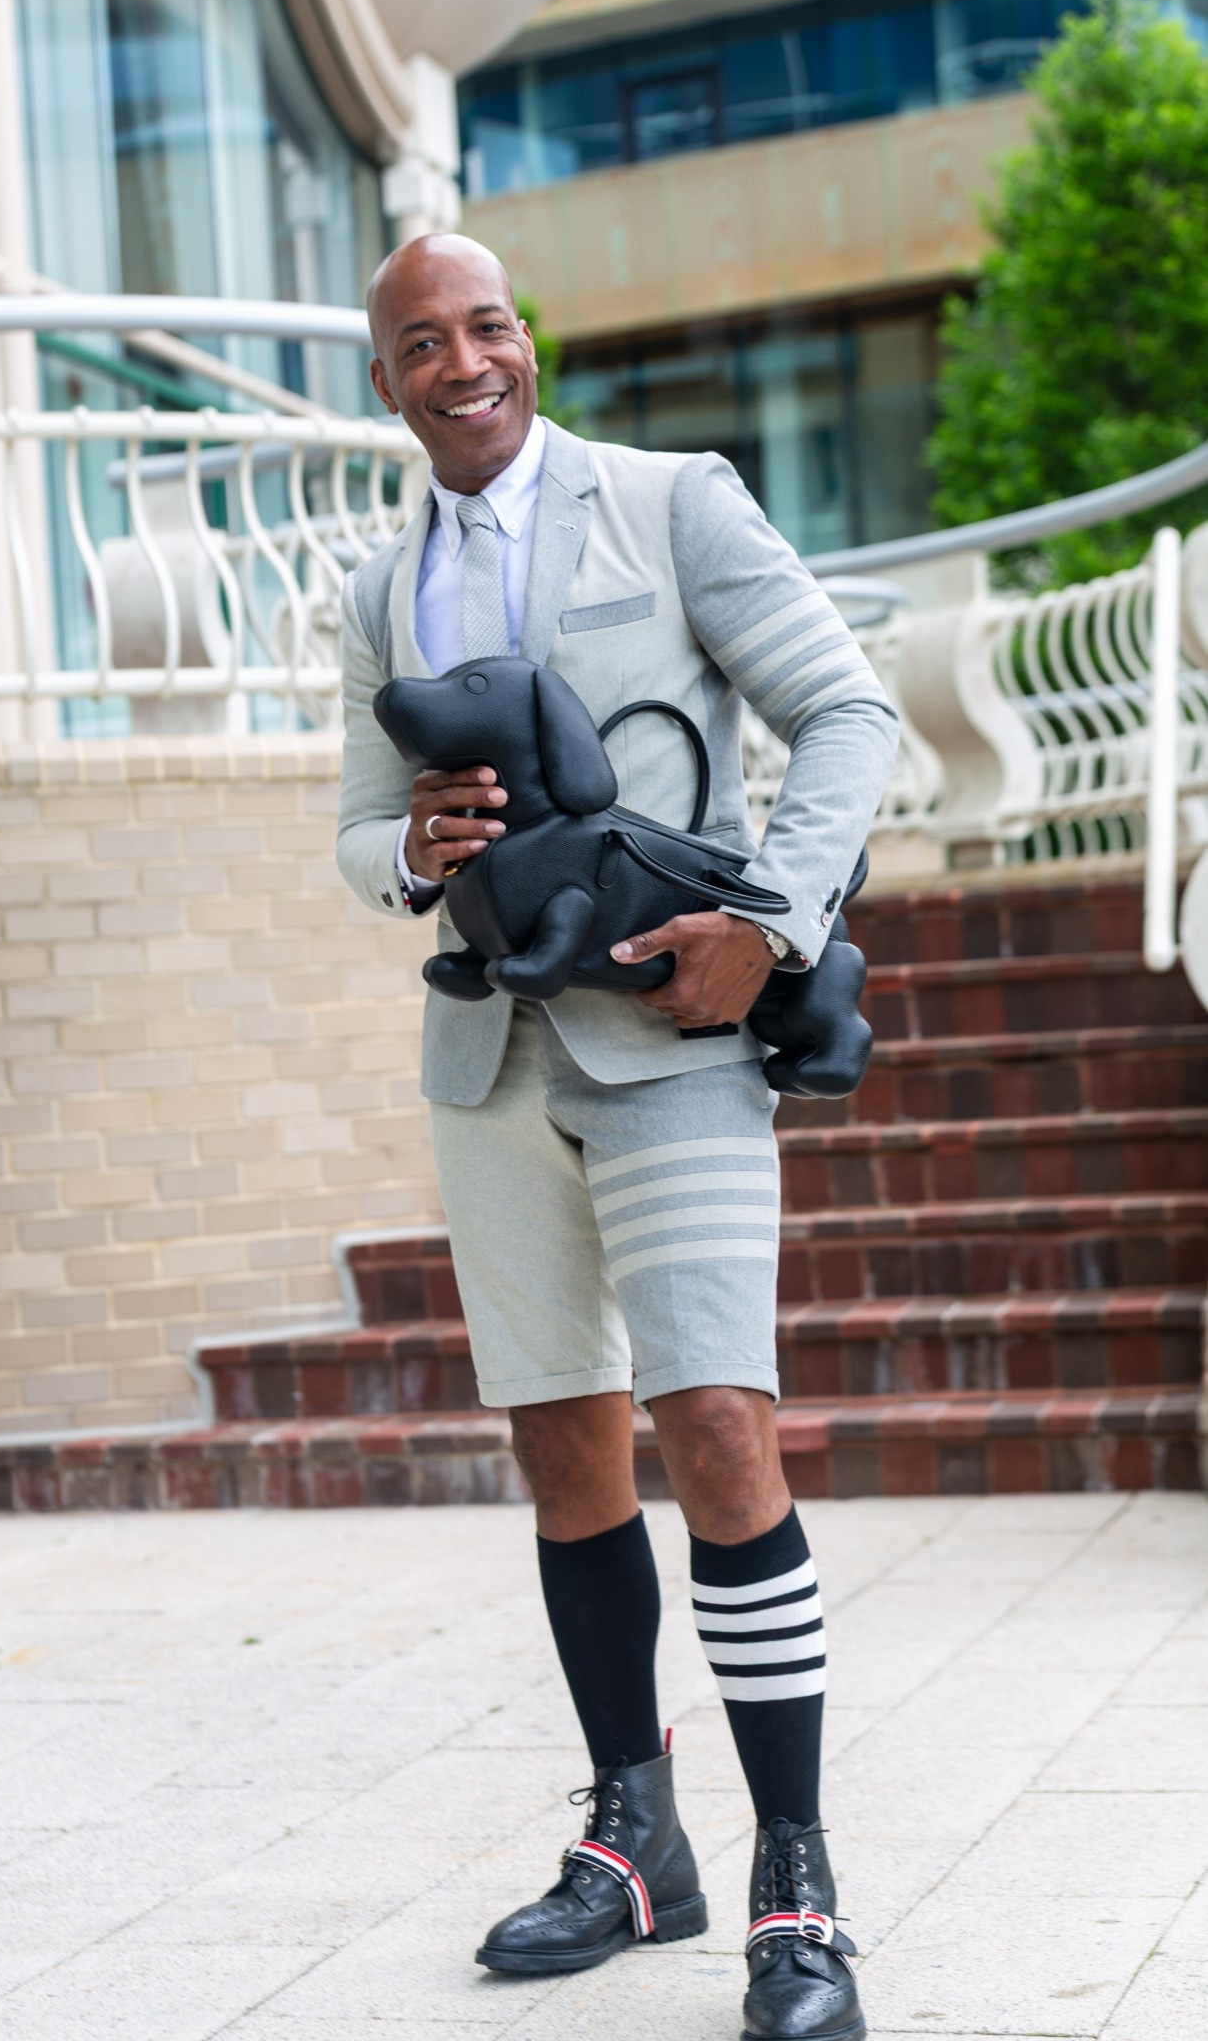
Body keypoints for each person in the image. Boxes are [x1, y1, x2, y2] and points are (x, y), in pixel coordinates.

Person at [336, 232, 897, 2041]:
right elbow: (353, 835)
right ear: (387, 383)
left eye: (486, 325)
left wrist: (776, 926)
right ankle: (631, 1837)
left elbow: (847, 712)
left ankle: (794, 1880)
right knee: (568, 1463)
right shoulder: (372, 585)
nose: (463, 359)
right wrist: (405, 852)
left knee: (720, 1430)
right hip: (489, 1071)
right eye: (422, 341)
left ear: (524, 341)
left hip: (673, 1046)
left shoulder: (669, 502)